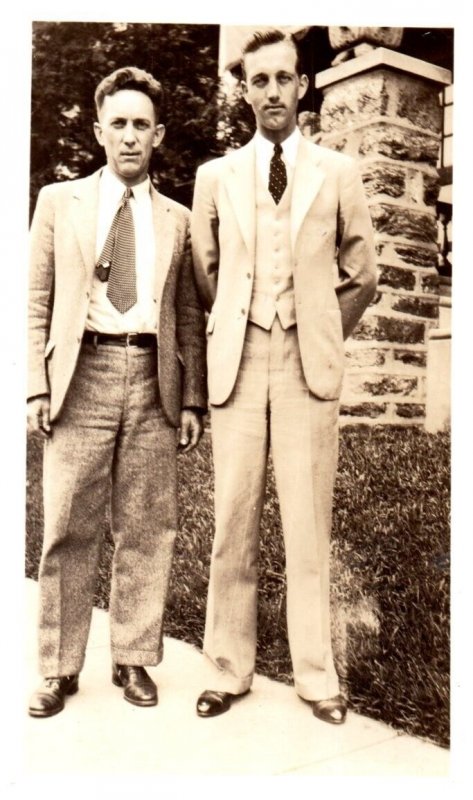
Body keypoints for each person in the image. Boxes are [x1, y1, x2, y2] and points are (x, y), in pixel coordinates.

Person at [191, 30, 377, 724]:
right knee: (232, 521)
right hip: (238, 362)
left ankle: (316, 676)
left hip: (305, 365)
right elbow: (205, 271)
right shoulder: (216, 176)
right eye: (258, 79)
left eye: (283, 79)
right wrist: (241, 321)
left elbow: (362, 273)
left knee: (306, 522)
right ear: (244, 91)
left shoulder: (338, 172)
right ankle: (225, 668)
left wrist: (317, 326)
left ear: (303, 88)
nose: (271, 91)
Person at [27, 66, 207, 717]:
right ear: (100, 129)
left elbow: (188, 316)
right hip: (82, 377)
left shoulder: (179, 220)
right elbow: (34, 301)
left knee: (147, 525)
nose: (130, 135)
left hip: (153, 377)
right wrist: (32, 387)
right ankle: (57, 665)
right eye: (119, 123)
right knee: (67, 524)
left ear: (157, 135)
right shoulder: (59, 202)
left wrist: (190, 399)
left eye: (142, 125)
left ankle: (132, 658)